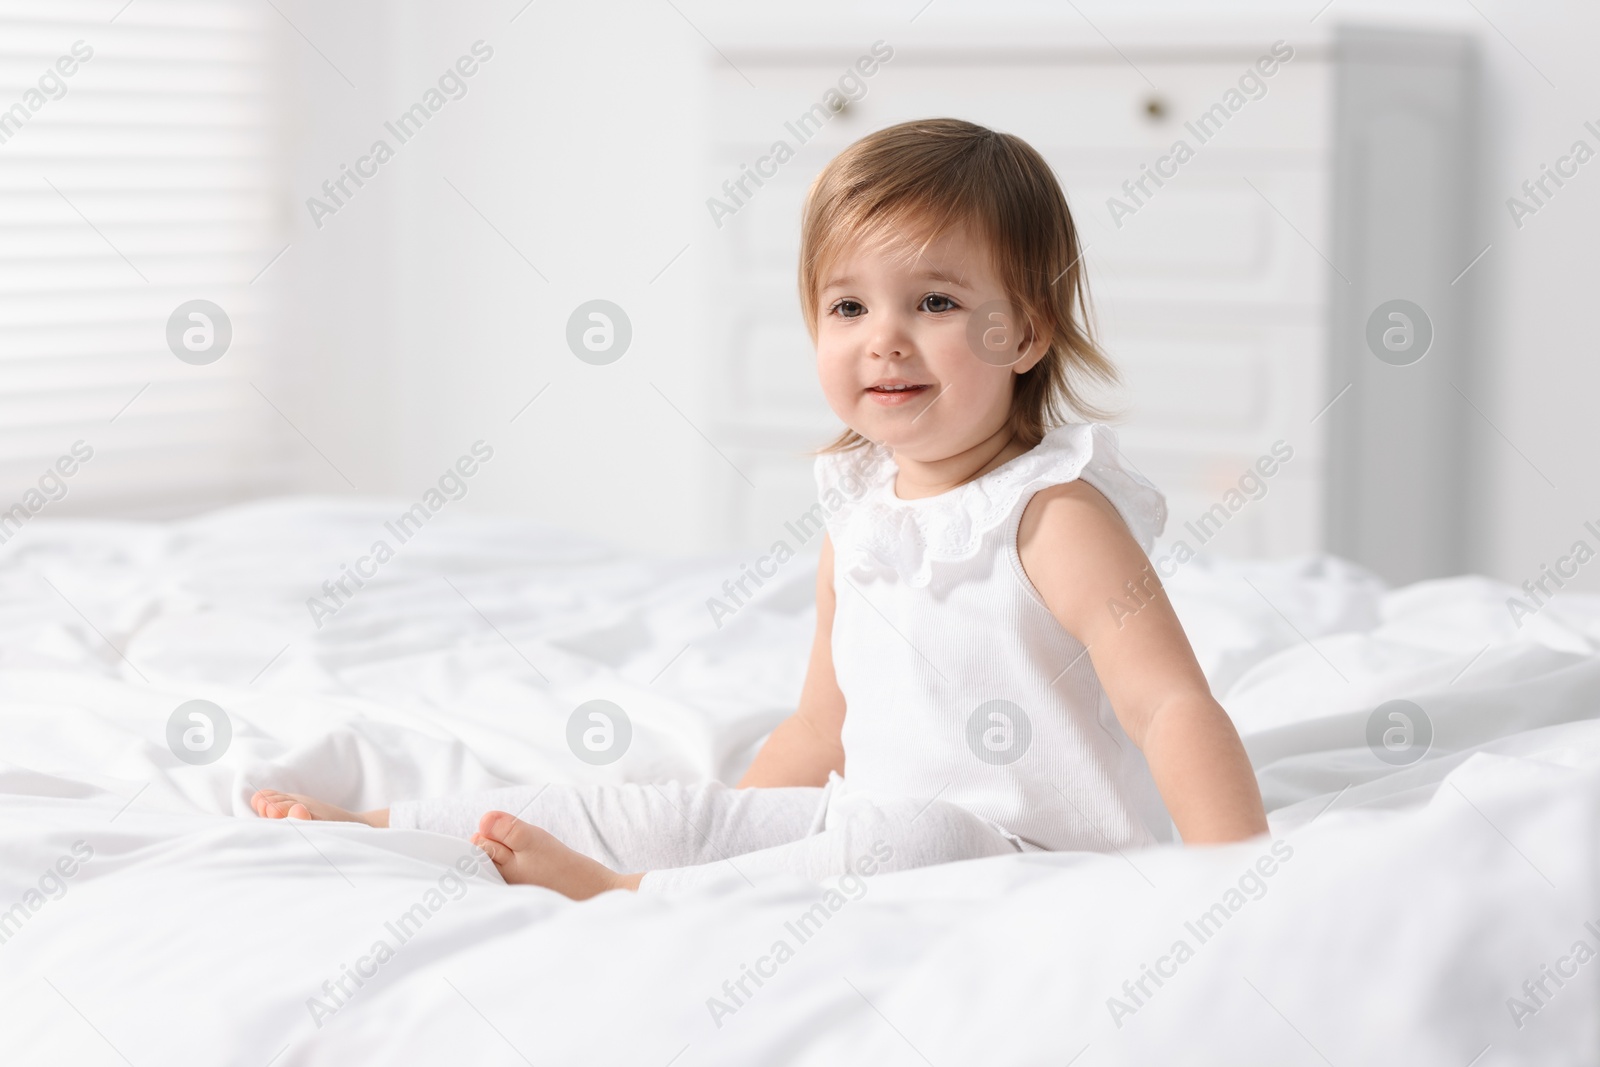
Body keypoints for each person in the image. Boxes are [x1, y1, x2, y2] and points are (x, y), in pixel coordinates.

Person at [251, 117, 1268, 898]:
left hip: (1019, 860)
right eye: (848, 306)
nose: (885, 339)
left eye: (937, 302)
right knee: (657, 806)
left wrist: (1238, 877)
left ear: (1028, 332)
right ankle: (385, 826)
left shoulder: (1054, 515)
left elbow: (1169, 703)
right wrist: (725, 825)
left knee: (913, 833)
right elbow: (820, 723)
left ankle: (635, 896)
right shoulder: (860, 514)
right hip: (867, 826)